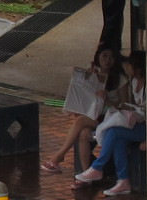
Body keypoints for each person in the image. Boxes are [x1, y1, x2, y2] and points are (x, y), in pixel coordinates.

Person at [43, 44, 124, 173]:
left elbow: (125, 107)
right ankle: (86, 175)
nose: (108, 60)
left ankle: (59, 156)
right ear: (98, 57)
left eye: (112, 57)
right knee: (84, 133)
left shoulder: (120, 79)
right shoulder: (92, 72)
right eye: (104, 56)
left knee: (80, 121)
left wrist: (107, 99)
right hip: (93, 115)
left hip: (111, 117)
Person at [76, 51, 146, 195]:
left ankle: (97, 167)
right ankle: (123, 181)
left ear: (137, 68)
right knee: (118, 140)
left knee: (113, 131)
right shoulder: (133, 82)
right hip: (136, 124)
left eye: (130, 66)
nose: (127, 68)